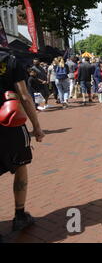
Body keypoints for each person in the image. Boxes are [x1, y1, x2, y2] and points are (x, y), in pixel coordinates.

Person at [0, 49, 45, 241]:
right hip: (8, 122)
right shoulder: (9, 60)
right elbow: (24, 96)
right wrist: (37, 127)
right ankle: (20, 215)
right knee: (21, 164)